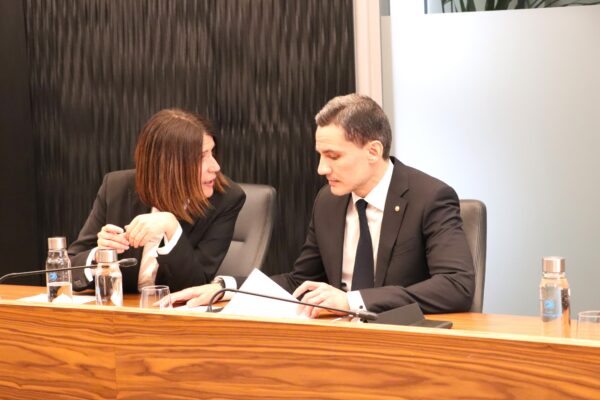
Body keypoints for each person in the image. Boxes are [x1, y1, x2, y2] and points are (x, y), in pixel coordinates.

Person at [171, 94, 474, 316]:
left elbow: (456, 286)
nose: (321, 169)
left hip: (403, 342)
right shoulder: (329, 201)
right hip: (336, 338)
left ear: (373, 151)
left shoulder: (429, 197)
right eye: (320, 155)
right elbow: (301, 280)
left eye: (333, 156)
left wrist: (352, 301)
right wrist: (226, 287)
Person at [68, 109, 245, 293]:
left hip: (175, 310)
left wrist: (171, 228)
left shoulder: (226, 199)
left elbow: (196, 286)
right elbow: (66, 270)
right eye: (201, 157)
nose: (216, 166)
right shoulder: (116, 188)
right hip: (121, 307)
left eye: (212, 152)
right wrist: (99, 256)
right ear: (168, 165)